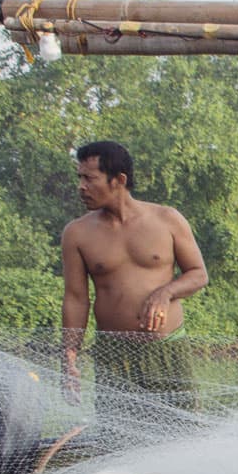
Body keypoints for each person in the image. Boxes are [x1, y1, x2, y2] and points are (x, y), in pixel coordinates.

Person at [59, 141, 209, 410]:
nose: (81, 186)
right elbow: (76, 299)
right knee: (118, 437)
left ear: (119, 180)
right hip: (113, 356)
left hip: (167, 351)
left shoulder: (167, 219)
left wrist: (166, 292)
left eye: (89, 178)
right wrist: (69, 357)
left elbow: (198, 274)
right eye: (79, 177)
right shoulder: (77, 233)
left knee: (182, 437)